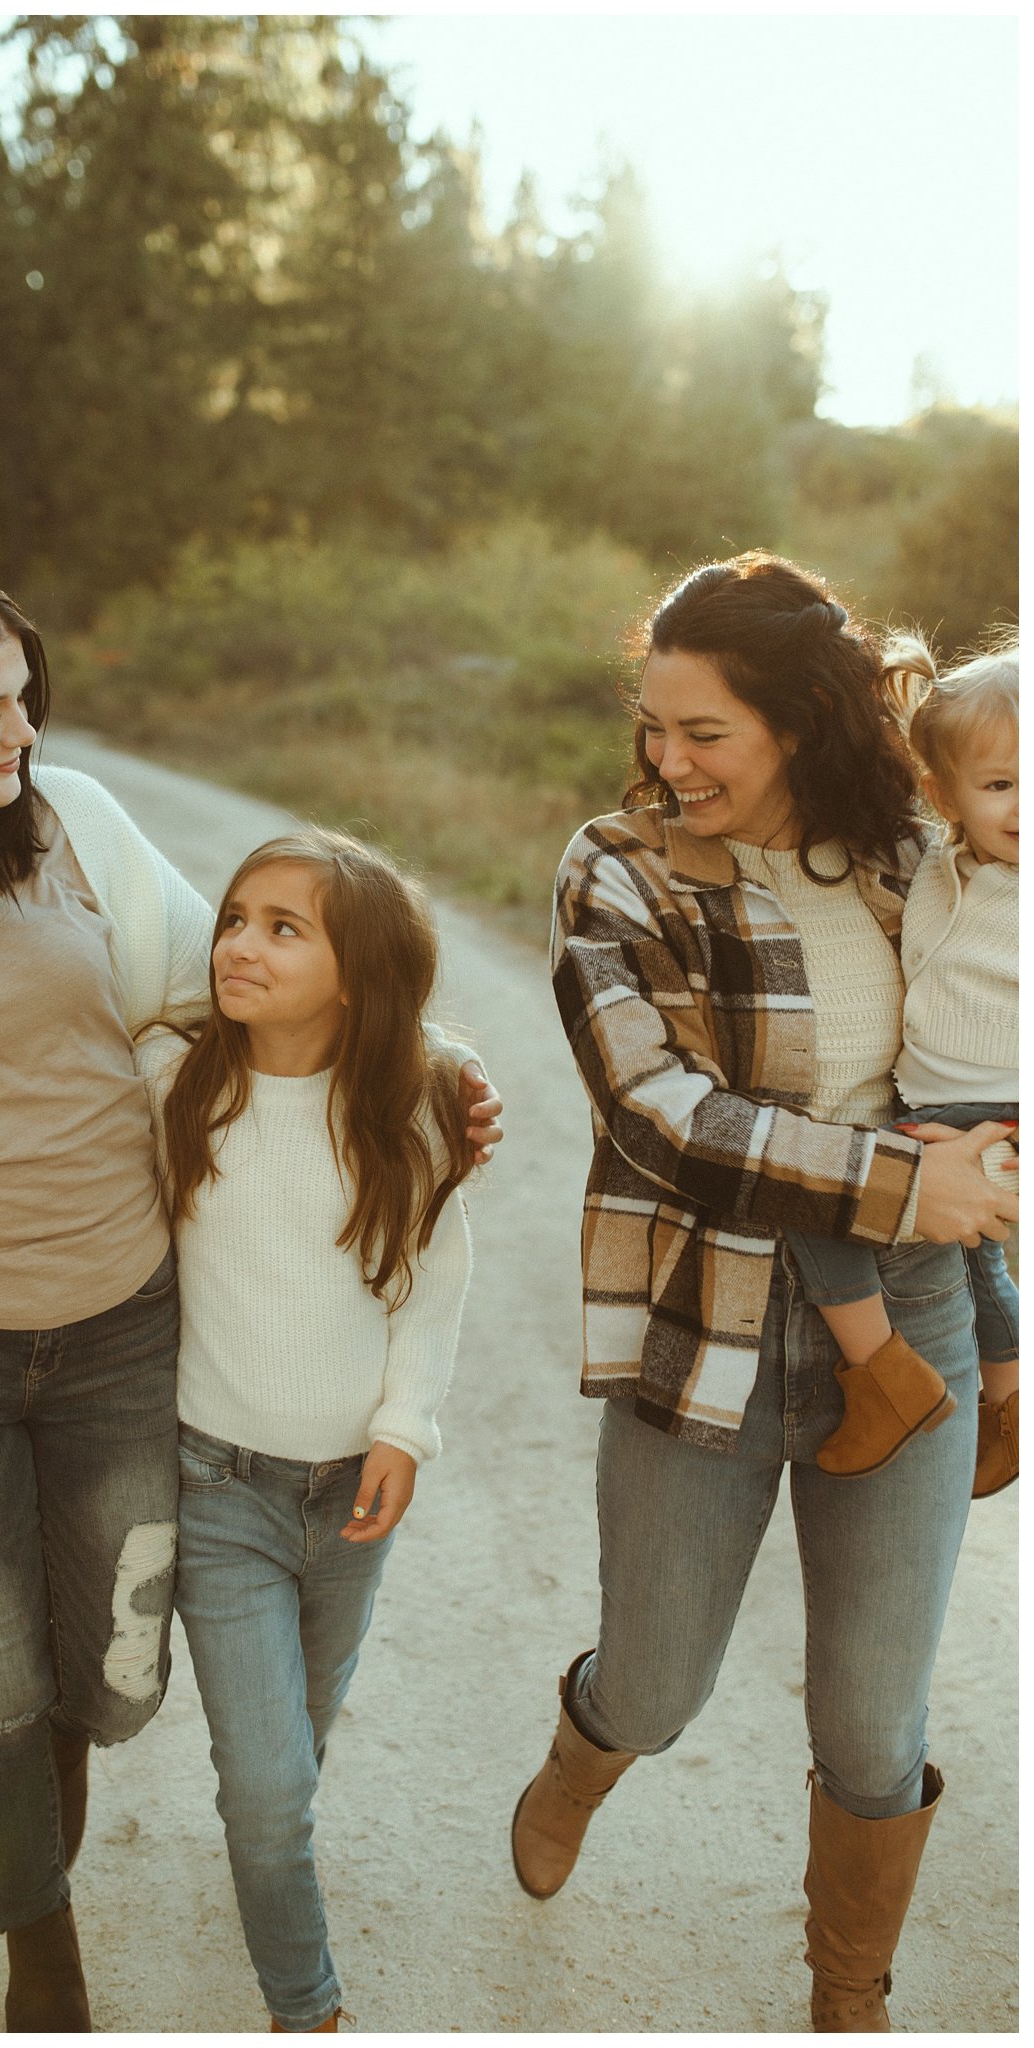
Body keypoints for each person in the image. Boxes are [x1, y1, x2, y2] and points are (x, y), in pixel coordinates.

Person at [0, 549, 500, 2034]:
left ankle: (50, 1779)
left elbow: (250, 987)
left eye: (24, 700)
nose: (22, 735)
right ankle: (38, 1942)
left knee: (114, 1677)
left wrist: (431, 1066)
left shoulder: (72, 828)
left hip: (125, 1339)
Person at [508, 553, 1017, 2033]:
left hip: (914, 1312)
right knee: (659, 1686)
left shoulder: (918, 852)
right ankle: (587, 1753)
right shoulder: (615, 870)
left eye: (703, 733)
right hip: (704, 1321)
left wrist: (1002, 1329)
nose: (665, 761)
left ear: (797, 718)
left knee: (873, 1727)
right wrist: (900, 1181)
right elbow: (661, 1117)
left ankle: (847, 1989)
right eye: (652, 726)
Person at [135, 829, 474, 2034]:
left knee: (300, 1736)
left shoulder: (413, 1105)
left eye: (286, 927)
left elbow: (428, 1280)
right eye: (234, 916)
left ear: (357, 974)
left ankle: (262, 1850)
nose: (239, 943)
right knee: (271, 1784)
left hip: (352, 1496)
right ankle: (305, 2003)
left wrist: (403, 1426)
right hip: (214, 1482)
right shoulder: (173, 1075)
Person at [782, 640, 1018, 1490]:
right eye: (999, 785)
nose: (1023, 807)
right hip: (939, 1098)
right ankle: (1007, 1405)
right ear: (943, 793)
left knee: (822, 1199)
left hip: (995, 1110)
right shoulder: (933, 859)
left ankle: (883, 1376)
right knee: (976, 1262)